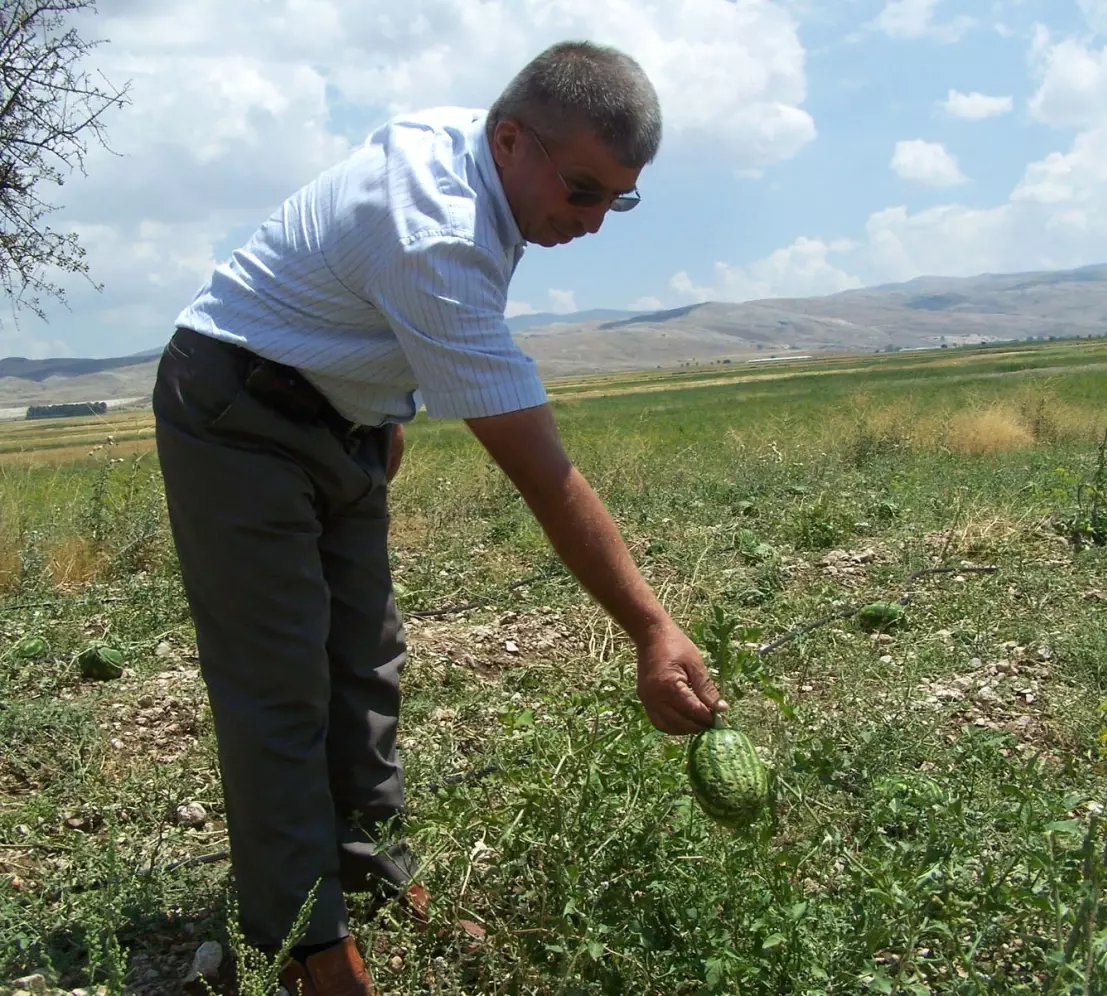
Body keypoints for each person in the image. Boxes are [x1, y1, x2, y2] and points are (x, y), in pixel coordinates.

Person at [153, 39, 727, 995]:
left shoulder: (484, 169)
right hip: (235, 414)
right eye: (582, 190)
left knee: (365, 660)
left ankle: (372, 875)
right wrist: (651, 627)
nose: (591, 223)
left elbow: (385, 314)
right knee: (282, 684)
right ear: (510, 139)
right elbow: (544, 476)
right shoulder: (440, 228)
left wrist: (380, 412)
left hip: (338, 417)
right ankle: (305, 940)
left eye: (614, 200)